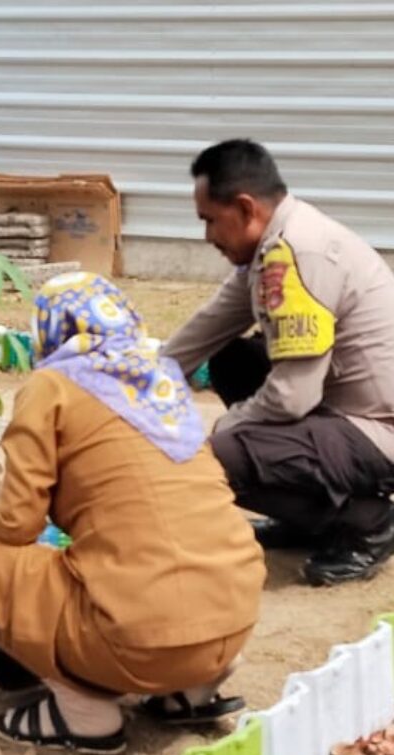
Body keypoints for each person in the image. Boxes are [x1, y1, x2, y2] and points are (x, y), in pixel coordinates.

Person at [0, 273, 265, 755]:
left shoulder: (52, 386)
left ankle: (78, 703)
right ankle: (191, 692)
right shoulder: (161, 379)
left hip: (135, 636)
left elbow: (18, 525)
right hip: (231, 618)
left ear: (49, 332)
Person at [164, 139, 394, 586]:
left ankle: (367, 522)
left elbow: (292, 397)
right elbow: (208, 326)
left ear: (246, 208)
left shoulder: (296, 254)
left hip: (377, 427)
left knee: (223, 457)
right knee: (229, 358)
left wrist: (214, 438)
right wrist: (132, 381)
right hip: (342, 405)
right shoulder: (273, 244)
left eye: (210, 221)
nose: (207, 237)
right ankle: (308, 519)